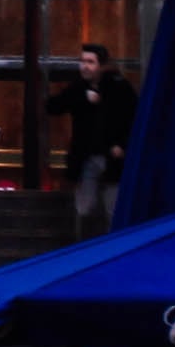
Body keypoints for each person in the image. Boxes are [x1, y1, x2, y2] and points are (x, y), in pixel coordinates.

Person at [57, 45, 133, 232]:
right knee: (84, 208)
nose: (85, 66)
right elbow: (54, 106)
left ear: (101, 65)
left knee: (113, 209)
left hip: (112, 156)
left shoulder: (119, 87)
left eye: (90, 62)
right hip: (87, 156)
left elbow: (132, 118)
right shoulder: (79, 87)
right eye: (82, 61)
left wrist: (122, 145)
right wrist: (82, 99)